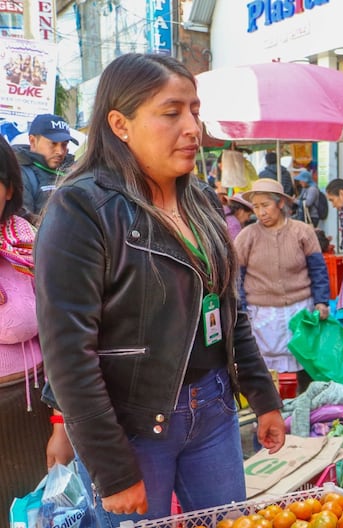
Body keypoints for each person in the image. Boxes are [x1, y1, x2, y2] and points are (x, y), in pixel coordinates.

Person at [34, 53, 286, 525]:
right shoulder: (82, 209)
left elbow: (229, 308)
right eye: (171, 112)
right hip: (133, 423)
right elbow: (69, 354)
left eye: (194, 110)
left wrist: (262, 394)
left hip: (214, 409)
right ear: (120, 123)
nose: (192, 127)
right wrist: (112, 468)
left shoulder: (203, 200)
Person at [0, 138, 68, 528]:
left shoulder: (33, 247)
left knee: (39, 517)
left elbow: (66, 340)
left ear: (9, 187)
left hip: (34, 414)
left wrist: (62, 424)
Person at [235, 179, 331, 395]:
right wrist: (240, 309)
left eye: (265, 205)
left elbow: (318, 270)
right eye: (256, 206)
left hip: (299, 310)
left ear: (280, 204)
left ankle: (305, 405)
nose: (260, 212)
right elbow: (236, 276)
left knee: (304, 362)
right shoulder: (247, 236)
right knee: (263, 367)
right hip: (261, 313)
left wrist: (322, 301)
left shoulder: (303, 232)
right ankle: (268, 410)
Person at [14, 113, 77, 220]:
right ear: (33, 141)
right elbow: (23, 222)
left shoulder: (74, 172)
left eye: (64, 144)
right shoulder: (19, 173)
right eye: (53, 143)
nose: (60, 151)